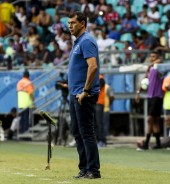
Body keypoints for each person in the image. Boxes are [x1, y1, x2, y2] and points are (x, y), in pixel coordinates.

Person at [67, 11, 101, 179]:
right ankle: (84, 168)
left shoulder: (86, 41)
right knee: (77, 132)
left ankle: (93, 170)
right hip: (74, 94)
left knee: (86, 132)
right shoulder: (78, 42)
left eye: (73, 22)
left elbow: (92, 66)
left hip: (83, 95)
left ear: (82, 23)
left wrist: (85, 91)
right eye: (69, 23)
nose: (70, 26)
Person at [136, 51, 164, 150]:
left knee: (150, 120)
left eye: (154, 56)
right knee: (155, 120)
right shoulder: (150, 68)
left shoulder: (159, 66)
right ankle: (158, 143)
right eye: (151, 56)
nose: (152, 58)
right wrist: (138, 92)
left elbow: (160, 61)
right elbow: (144, 80)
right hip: (150, 96)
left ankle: (146, 143)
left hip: (158, 96)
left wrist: (154, 62)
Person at [16, 69, 34, 134]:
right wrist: (33, 101)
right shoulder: (28, 82)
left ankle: (21, 131)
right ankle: (26, 132)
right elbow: (31, 93)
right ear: (28, 76)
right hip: (27, 103)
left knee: (22, 118)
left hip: (21, 103)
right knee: (26, 119)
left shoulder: (19, 82)